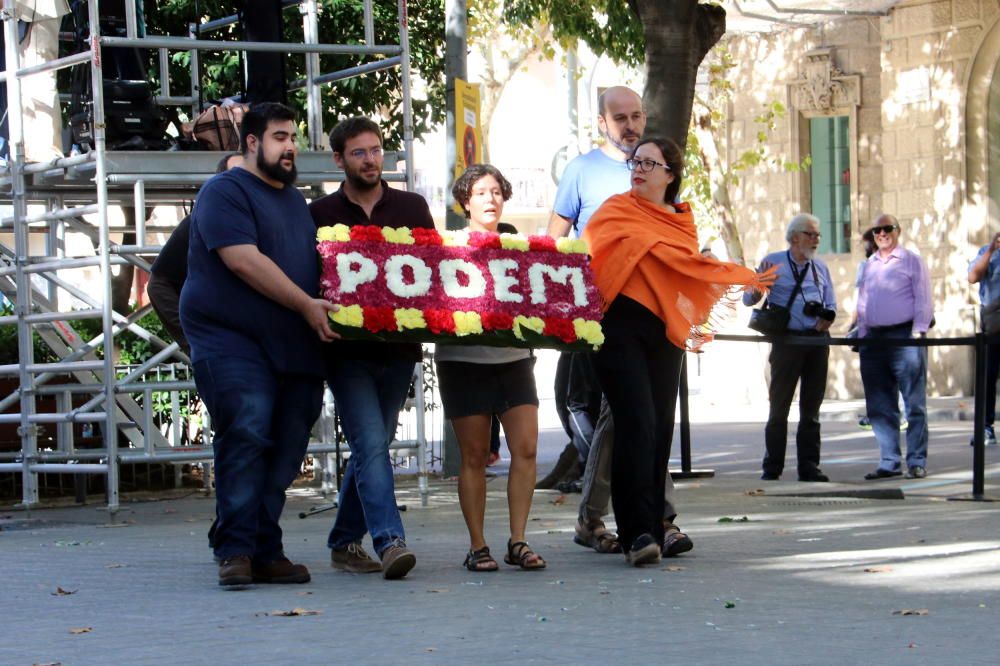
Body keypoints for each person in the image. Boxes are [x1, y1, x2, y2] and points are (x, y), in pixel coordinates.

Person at [584, 137, 773, 565]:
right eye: (636, 161)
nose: (639, 168)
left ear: (670, 175)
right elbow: (590, 260)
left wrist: (717, 273)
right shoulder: (614, 210)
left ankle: (656, 526)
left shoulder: (681, 223)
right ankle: (637, 535)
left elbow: (683, 274)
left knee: (659, 429)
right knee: (636, 422)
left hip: (664, 330)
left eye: (650, 163)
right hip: (616, 327)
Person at [179, 103, 338, 588]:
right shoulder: (223, 192)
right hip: (231, 339)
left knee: (289, 447)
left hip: (291, 342)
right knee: (248, 427)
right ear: (252, 143)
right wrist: (307, 305)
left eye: (293, 137)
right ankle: (236, 551)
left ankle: (262, 546)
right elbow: (243, 261)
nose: (291, 146)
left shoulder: (294, 200)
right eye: (280, 137)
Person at [309, 116, 434, 580]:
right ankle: (389, 540)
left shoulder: (413, 207)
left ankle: (344, 541)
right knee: (369, 443)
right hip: (345, 352)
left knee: (373, 446)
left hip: (399, 349)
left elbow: (430, 273)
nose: (370, 160)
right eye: (359, 152)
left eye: (376, 150)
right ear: (339, 159)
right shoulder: (318, 214)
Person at [546, 86, 652, 554]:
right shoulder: (582, 171)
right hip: (596, 312)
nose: (630, 125)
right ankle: (653, 517)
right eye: (620, 117)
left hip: (649, 312)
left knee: (633, 414)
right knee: (614, 412)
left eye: (636, 116)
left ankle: (602, 516)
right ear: (602, 123)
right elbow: (554, 242)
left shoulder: (652, 167)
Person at [435, 164, 546, 572]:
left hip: (514, 361)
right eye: (481, 192)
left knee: (527, 448)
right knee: (475, 455)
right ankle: (477, 546)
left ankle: (518, 540)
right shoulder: (446, 246)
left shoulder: (520, 247)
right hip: (462, 362)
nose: (490, 199)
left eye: (496, 191)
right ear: (466, 201)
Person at [744, 214, 836, 482]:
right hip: (787, 341)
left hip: (816, 341)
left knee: (812, 408)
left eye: (818, 235)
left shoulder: (820, 267)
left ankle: (809, 467)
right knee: (779, 407)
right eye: (811, 234)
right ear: (795, 237)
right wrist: (758, 287)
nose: (816, 240)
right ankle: (772, 468)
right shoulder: (773, 261)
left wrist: (827, 316)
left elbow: (831, 301)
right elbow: (749, 298)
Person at [856, 214, 933, 480]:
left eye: (887, 229)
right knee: (879, 404)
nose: (882, 234)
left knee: (914, 404)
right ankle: (889, 461)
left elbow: (923, 297)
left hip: (904, 338)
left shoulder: (911, 260)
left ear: (897, 231)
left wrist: (917, 332)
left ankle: (916, 461)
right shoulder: (869, 265)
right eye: (877, 230)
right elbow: (863, 301)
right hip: (874, 340)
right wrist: (863, 334)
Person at [148, 153, 243, 355]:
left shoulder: (268, 219)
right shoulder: (197, 222)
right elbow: (158, 284)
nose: (246, 182)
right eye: (237, 175)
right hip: (224, 350)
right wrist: (194, 340)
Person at [0, 1, 70, 163]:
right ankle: (31, 154)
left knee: (39, 78)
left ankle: (45, 154)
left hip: (37, 9)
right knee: (26, 84)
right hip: (26, 12)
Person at [967, 231, 1000, 446]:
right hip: (994, 324)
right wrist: (991, 249)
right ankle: (985, 426)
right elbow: (973, 277)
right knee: (987, 377)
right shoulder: (986, 253)